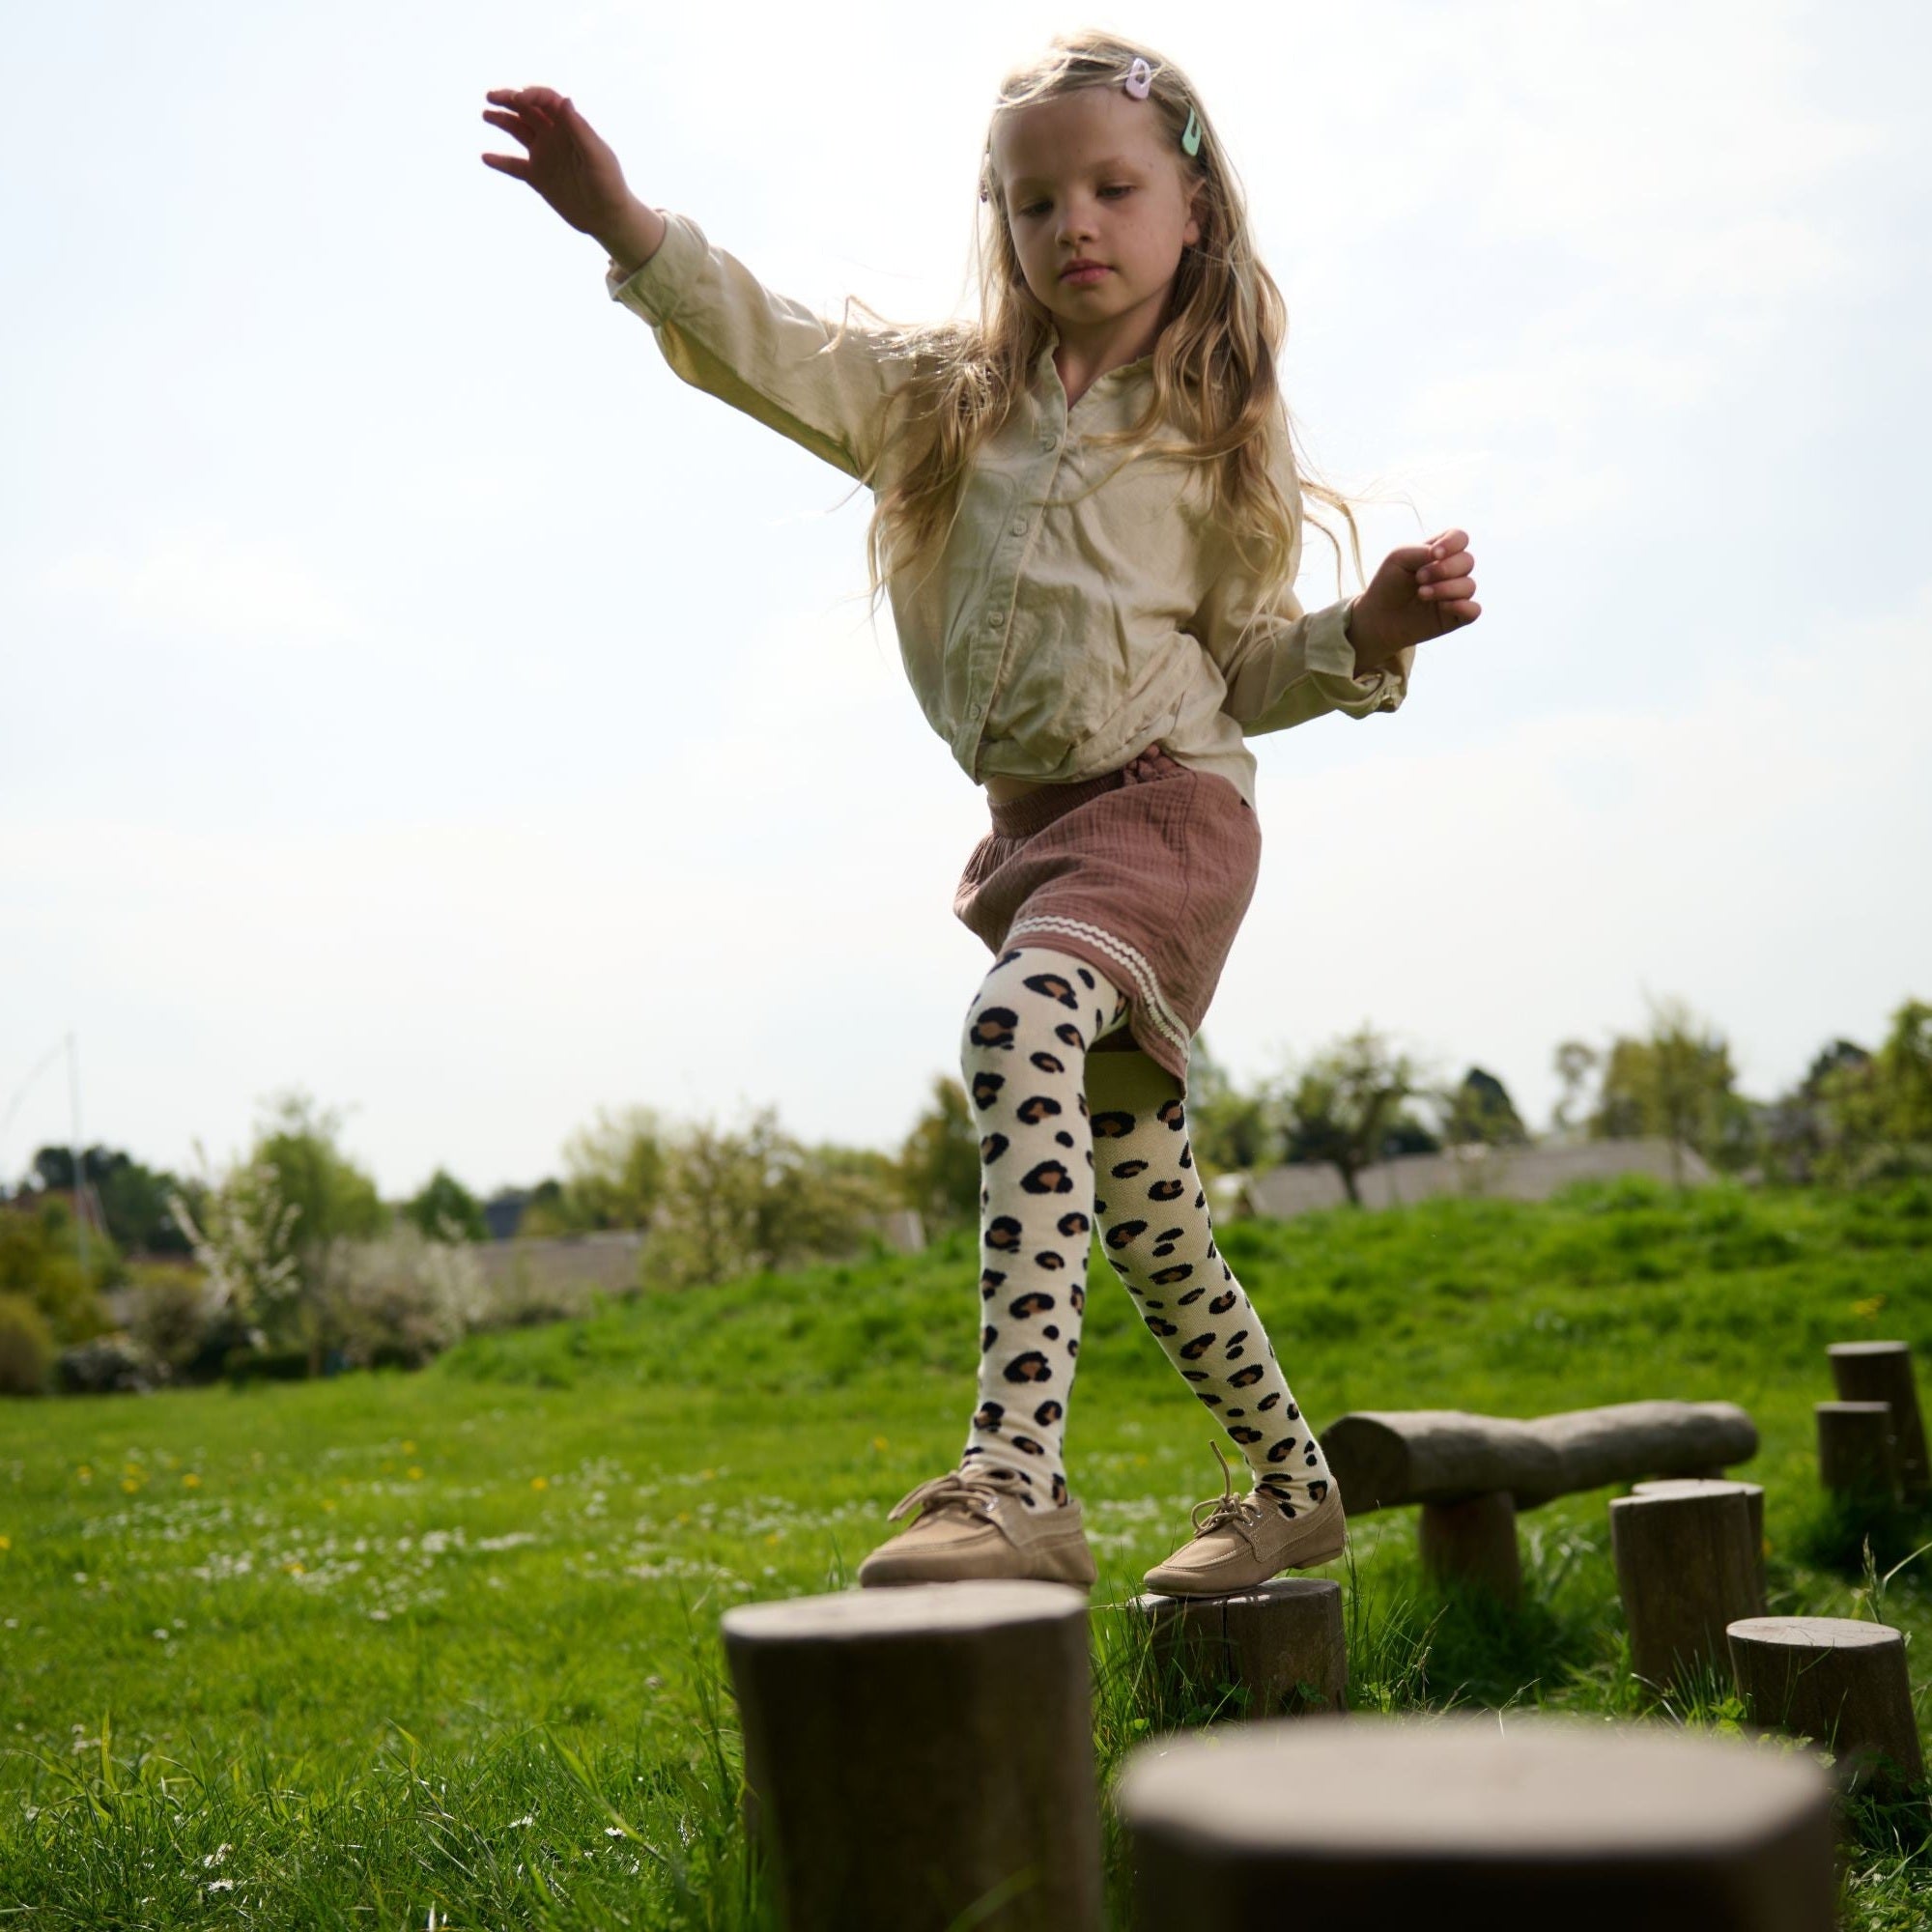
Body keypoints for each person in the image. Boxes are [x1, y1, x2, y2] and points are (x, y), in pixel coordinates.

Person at [480, 30, 1479, 1598]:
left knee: (1020, 1027)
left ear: (1192, 212)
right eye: (1032, 202)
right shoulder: (944, 402)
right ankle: (1293, 1484)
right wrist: (626, 225)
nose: (1071, 222)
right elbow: (772, 337)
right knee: (1140, 1193)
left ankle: (1015, 1483)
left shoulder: (1215, 441)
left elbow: (1247, 663)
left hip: (1172, 811)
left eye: (1111, 189)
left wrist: (1370, 632)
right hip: (1037, 834)